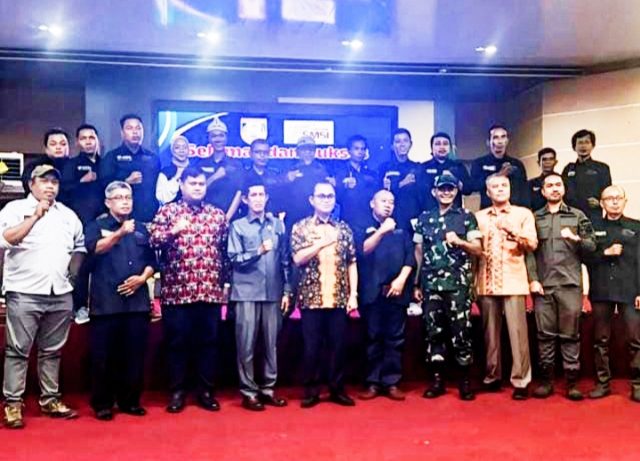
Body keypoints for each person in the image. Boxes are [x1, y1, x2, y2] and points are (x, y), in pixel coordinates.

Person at [0, 164, 85, 429]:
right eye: (44, 181)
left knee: (52, 351)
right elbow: (6, 239)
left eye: (54, 182)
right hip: (24, 291)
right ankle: (13, 404)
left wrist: (72, 277)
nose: (50, 187)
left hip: (60, 292)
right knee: (17, 351)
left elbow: (79, 247)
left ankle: (50, 400)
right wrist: (35, 216)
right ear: (31, 184)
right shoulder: (14, 209)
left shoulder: (68, 215)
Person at [149, 166, 229, 413]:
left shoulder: (217, 215)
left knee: (209, 343)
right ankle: (177, 392)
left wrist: (226, 282)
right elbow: (152, 241)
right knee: (177, 343)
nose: (197, 187)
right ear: (182, 186)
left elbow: (224, 252)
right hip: (177, 292)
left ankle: (206, 391)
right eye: (192, 183)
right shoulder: (168, 212)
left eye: (201, 184)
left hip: (209, 290)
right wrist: (173, 231)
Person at [85, 181, 156, 420]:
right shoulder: (96, 226)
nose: (125, 202)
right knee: (103, 357)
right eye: (119, 197)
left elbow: (153, 261)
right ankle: (103, 403)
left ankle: (130, 401)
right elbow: (95, 249)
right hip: (106, 303)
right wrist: (119, 233)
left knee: (134, 355)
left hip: (137, 302)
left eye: (128, 197)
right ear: (108, 202)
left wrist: (142, 278)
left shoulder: (141, 228)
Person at [527, 173, 596, 400]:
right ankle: (546, 382)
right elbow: (529, 253)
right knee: (544, 336)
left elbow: (592, 246)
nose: (554, 188)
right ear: (543, 191)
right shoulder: (534, 218)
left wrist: (577, 239)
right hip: (544, 286)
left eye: (558, 184)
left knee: (570, 335)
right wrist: (533, 278)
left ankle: (572, 383)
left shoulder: (577, 216)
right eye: (549, 185)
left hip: (569, 285)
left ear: (564, 189)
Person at [414, 174, 482, 401]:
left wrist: (460, 241)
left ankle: (464, 381)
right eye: (442, 189)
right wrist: (417, 283)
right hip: (431, 285)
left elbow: (478, 249)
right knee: (433, 333)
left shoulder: (466, 217)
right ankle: (437, 380)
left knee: (461, 332)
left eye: (450, 189)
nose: (446, 192)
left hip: (457, 285)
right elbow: (419, 252)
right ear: (434, 192)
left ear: (456, 191)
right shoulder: (424, 218)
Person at [291, 181, 358, 408]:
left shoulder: (343, 228)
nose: (326, 200)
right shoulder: (301, 227)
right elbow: (297, 259)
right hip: (312, 298)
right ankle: (311, 390)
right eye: (321, 196)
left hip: (338, 297)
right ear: (312, 200)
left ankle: (337, 389)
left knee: (338, 347)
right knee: (312, 348)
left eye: (330, 196)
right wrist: (321, 244)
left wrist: (353, 294)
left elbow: (352, 263)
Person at [228, 181, 291, 411]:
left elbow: (285, 260)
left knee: (271, 344)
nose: (257, 198)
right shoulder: (238, 226)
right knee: (246, 345)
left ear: (266, 198)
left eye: (261, 194)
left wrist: (287, 290)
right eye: (253, 195)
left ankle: (268, 389)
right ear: (245, 199)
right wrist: (258, 252)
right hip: (246, 292)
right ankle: (249, 392)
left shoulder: (277, 225)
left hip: (273, 292)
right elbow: (234, 259)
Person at [475, 174, 537, 400]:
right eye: (495, 186)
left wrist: (513, 231)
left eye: (504, 185)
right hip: (486, 281)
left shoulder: (523, 214)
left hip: (514, 280)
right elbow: (474, 253)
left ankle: (521, 381)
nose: (500, 189)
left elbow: (532, 244)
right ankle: (492, 376)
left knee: (518, 334)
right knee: (490, 334)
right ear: (488, 192)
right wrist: (473, 284)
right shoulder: (479, 217)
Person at [356, 189, 414, 401]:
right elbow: (362, 250)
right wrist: (382, 231)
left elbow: (410, 257)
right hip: (372, 293)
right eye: (383, 201)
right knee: (373, 338)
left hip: (397, 290)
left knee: (395, 339)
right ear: (372, 203)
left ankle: (392, 382)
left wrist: (401, 280)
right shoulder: (362, 225)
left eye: (392, 202)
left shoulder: (402, 228)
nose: (388, 205)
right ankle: (373, 382)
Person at [586, 185, 640, 402]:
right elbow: (584, 257)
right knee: (601, 340)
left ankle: (638, 384)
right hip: (601, 290)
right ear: (602, 203)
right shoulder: (593, 226)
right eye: (609, 198)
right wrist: (605, 253)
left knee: (635, 339)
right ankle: (602, 383)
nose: (615, 201)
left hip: (630, 291)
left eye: (619, 198)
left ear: (625, 201)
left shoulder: (636, 227)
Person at [61, 123, 104, 324]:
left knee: (101, 267)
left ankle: (97, 306)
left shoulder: (105, 163)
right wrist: (82, 182)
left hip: (102, 224)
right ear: (78, 142)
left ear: (97, 140)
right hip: (79, 224)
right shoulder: (71, 165)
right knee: (79, 269)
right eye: (84, 138)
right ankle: (78, 307)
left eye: (92, 137)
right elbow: (62, 192)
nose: (88, 141)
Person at [100, 114, 161, 222]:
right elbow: (103, 186)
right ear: (122, 133)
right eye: (130, 128)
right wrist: (126, 182)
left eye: (138, 128)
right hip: (121, 218)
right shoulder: (112, 157)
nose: (135, 132)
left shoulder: (153, 158)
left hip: (150, 216)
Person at [191, 117, 243, 221]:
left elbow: (240, 192)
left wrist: (227, 218)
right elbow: (197, 190)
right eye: (214, 136)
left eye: (221, 135)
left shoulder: (236, 164)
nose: (218, 139)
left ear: (226, 138)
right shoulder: (201, 164)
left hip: (230, 218)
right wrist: (215, 177)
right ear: (209, 139)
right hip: (206, 218)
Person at [470, 125, 530, 209]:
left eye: (503, 137)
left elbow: (524, 191)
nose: (500, 141)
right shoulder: (479, 163)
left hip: (514, 210)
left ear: (507, 141)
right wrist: (499, 175)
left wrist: (526, 210)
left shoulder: (517, 164)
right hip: (489, 210)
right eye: (495, 137)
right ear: (488, 142)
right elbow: (473, 186)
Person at [378, 128, 424, 230]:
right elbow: (379, 193)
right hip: (391, 218)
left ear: (410, 144)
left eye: (405, 141)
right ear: (392, 146)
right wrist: (402, 183)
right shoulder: (384, 168)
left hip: (413, 218)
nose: (402, 144)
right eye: (398, 141)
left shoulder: (418, 167)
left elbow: (422, 195)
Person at [282, 136, 332, 230]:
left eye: (311, 150)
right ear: (297, 152)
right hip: (294, 215)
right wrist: (286, 180)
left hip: (315, 215)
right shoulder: (289, 169)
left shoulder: (322, 170)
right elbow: (280, 192)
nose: (308, 152)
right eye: (304, 149)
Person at [562, 129, 612, 221]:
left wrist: (599, 202)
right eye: (580, 143)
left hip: (593, 216)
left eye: (587, 142)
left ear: (593, 145)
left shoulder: (602, 168)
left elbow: (608, 192)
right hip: (571, 216)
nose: (583, 146)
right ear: (574, 147)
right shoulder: (568, 169)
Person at [334, 135, 378, 231]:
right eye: (356, 149)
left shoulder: (371, 174)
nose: (360, 152)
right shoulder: (340, 172)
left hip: (368, 222)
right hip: (347, 223)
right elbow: (336, 198)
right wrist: (344, 186)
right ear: (349, 151)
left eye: (363, 149)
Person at [420, 132, 470, 211]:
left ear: (450, 147)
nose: (442, 147)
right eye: (438, 144)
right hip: (430, 212)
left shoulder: (458, 166)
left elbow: (468, 190)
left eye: (445, 144)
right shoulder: (423, 167)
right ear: (431, 147)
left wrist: (454, 179)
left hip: (454, 212)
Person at [22, 128, 71, 197]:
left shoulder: (75, 166)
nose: (58, 147)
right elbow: (28, 188)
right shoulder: (33, 166)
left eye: (63, 144)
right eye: (53, 144)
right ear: (46, 149)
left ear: (68, 147)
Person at [241, 139, 285, 216]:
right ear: (250, 154)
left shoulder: (275, 177)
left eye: (265, 152)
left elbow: (280, 202)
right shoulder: (243, 177)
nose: (262, 156)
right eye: (258, 152)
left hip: (272, 219)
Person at [156, 135, 190, 205]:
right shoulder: (165, 172)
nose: (181, 150)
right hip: (171, 210)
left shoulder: (195, 170)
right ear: (172, 151)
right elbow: (161, 198)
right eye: (177, 147)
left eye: (184, 147)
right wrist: (176, 178)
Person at [528, 147, 558, 212]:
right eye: (544, 159)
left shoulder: (562, 181)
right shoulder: (531, 183)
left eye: (551, 159)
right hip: (537, 216)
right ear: (538, 162)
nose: (548, 162)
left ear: (556, 162)